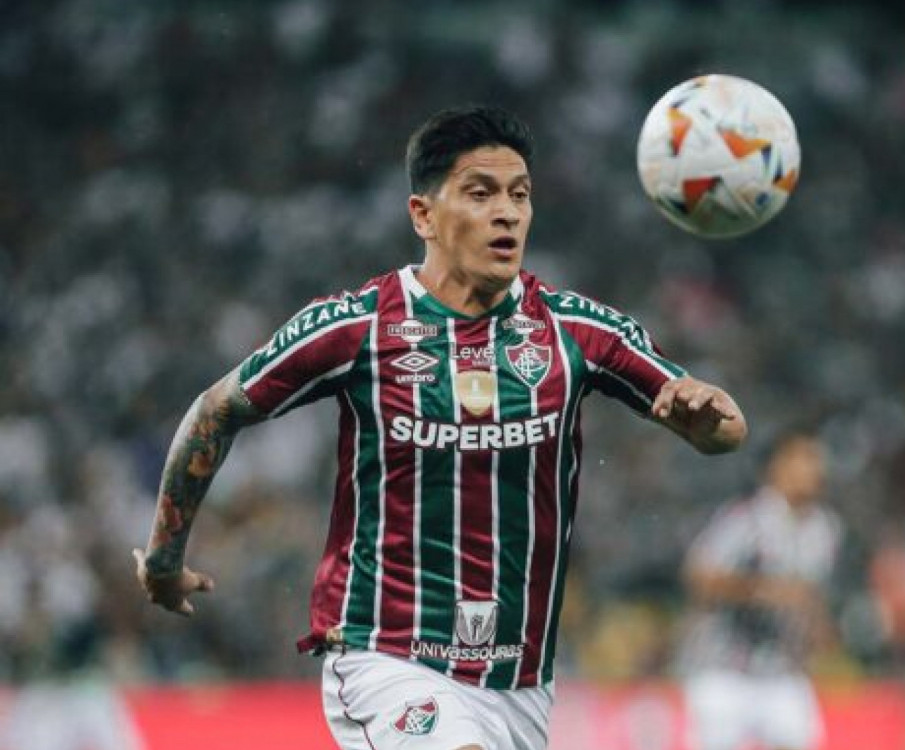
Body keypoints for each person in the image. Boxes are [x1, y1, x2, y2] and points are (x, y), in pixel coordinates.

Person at [131, 105, 747, 750]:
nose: (507, 212)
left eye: (520, 195)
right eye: (480, 193)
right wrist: (164, 561)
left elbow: (724, 430)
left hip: (520, 681)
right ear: (423, 215)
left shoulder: (576, 332)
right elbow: (216, 410)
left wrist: (705, 414)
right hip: (388, 655)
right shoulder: (359, 325)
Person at [677, 431, 839, 750]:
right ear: (775, 467)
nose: (813, 469)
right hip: (724, 671)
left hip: (783, 672)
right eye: (803, 459)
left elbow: (809, 594)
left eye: (815, 461)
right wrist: (761, 590)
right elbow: (699, 576)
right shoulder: (745, 518)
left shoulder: (824, 529)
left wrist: (820, 627)